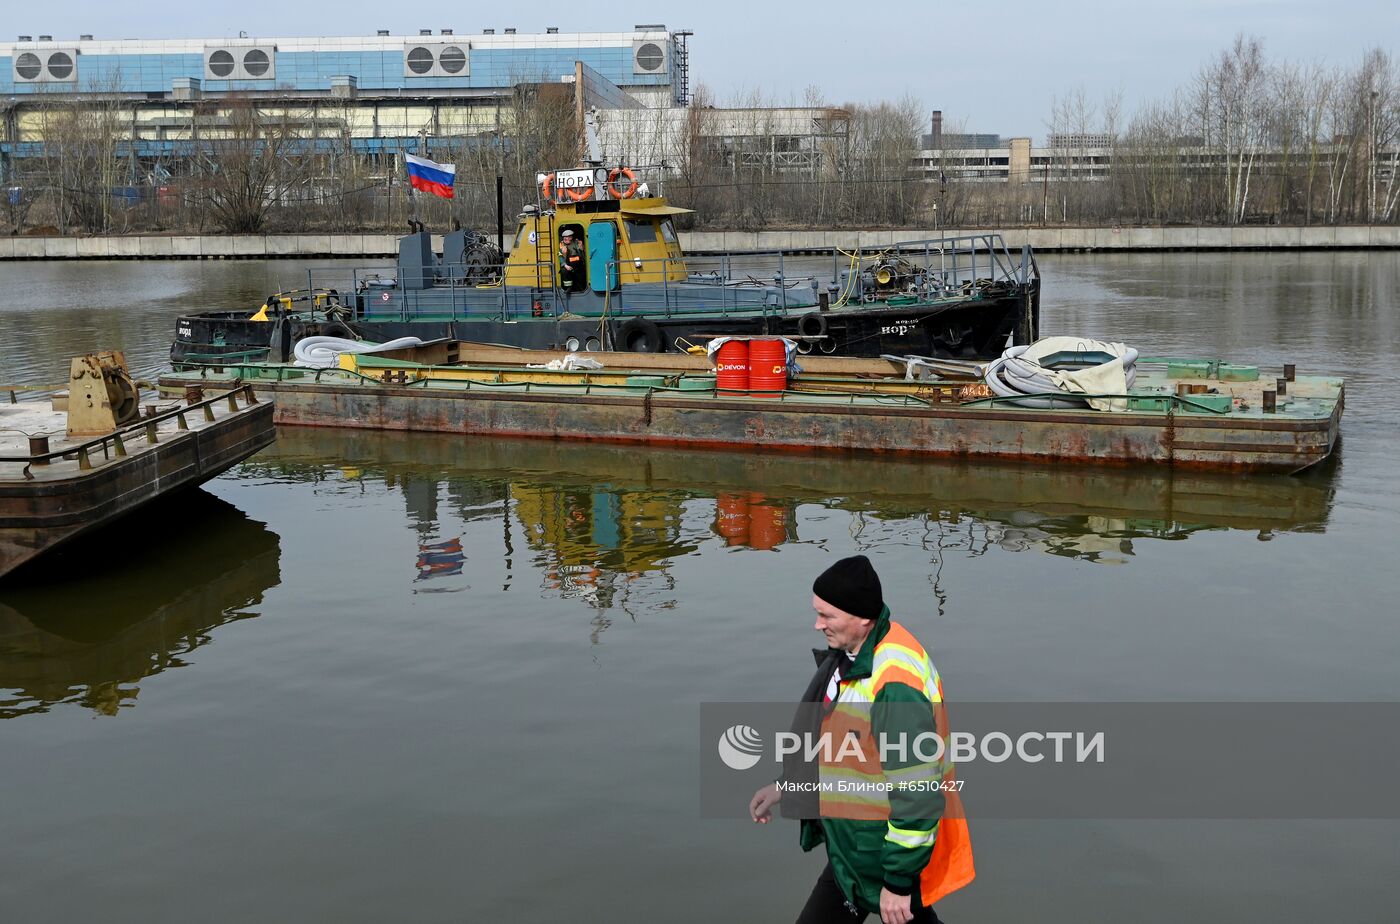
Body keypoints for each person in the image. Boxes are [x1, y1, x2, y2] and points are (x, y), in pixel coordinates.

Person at [749, 555, 974, 924]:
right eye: (817, 613)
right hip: (855, 848)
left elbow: (917, 794)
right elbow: (839, 744)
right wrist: (787, 785)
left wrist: (898, 882)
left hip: (882, 853)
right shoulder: (855, 654)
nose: (817, 625)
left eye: (827, 616)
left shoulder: (894, 686)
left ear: (862, 618)